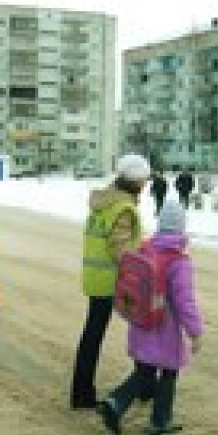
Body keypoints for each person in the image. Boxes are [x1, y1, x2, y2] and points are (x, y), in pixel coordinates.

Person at [97, 201, 202, 435]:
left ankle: (116, 402)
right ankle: (159, 420)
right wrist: (195, 332)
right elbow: (186, 301)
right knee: (168, 372)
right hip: (164, 328)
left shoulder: (145, 249)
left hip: (141, 321)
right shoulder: (178, 261)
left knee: (145, 370)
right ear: (181, 228)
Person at [71, 153, 151, 410]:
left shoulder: (103, 203)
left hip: (97, 277)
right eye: (144, 180)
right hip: (114, 280)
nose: (146, 184)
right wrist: (142, 265)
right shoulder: (123, 208)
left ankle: (81, 391)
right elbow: (120, 249)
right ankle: (143, 387)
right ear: (136, 182)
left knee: (92, 333)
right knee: (143, 326)